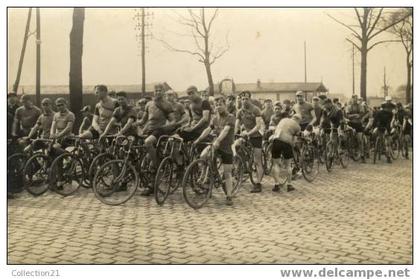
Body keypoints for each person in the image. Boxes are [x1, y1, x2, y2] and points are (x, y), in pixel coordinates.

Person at [193, 96, 236, 206]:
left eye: (220, 104)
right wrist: (198, 139)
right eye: (216, 105)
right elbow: (208, 129)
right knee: (203, 155)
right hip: (216, 145)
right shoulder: (215, 118)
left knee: (227, 173)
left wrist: (218, 140)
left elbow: (225, 131)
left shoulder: (231, 117)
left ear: (225, 105)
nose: (218, 106)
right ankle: (206, 178)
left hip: (226, 147)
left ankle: (229, 195)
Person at [137, 83, 177, 195]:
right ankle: (151, 184)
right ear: (153, 92)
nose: (158, 92)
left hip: (160, 131)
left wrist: (166, 127)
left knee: (147, 143)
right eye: (156, 90)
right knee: (147, 160)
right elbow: (143, 120)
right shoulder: (149, 104)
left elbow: (173, 121)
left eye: (160, 90)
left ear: (163, 92)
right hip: (150, 131)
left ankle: (158, 164)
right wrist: (136, 123)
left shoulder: (167, 105)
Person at [234, 90, 264, 193]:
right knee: (236, 146)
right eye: (242, 99)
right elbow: (237, 124)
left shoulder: (255, 109)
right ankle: (243, 167)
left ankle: (258, 183)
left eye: (246, 98)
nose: (244, 101)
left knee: (257, 160)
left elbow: (258, 125)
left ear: (250, 99)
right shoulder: (240, 111)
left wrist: (249, 133)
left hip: (256, 135)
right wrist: (235, 133)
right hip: (246, 134)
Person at [270, 114, 302, 193]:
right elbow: (294, 140)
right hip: (286, 143)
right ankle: (289, 185)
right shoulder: (297, 126)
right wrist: (294, 146)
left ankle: (276, 185)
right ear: (298, 120)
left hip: (276, 140)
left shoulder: (283, 119)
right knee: (288, 165)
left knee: (275, 164)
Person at [345, 94, 367, 163]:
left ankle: (362, 156)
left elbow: (361, 114)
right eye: (354, 98)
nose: (355, 100)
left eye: (356, 98)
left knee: (360, 139)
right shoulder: (349, 106)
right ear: (351, 99)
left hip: (358, 124)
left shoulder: (360, 106)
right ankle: (350, 152)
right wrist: (355, 115)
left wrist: (354, 116)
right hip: (351, 124)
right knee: (348, 138)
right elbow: (347, 116)